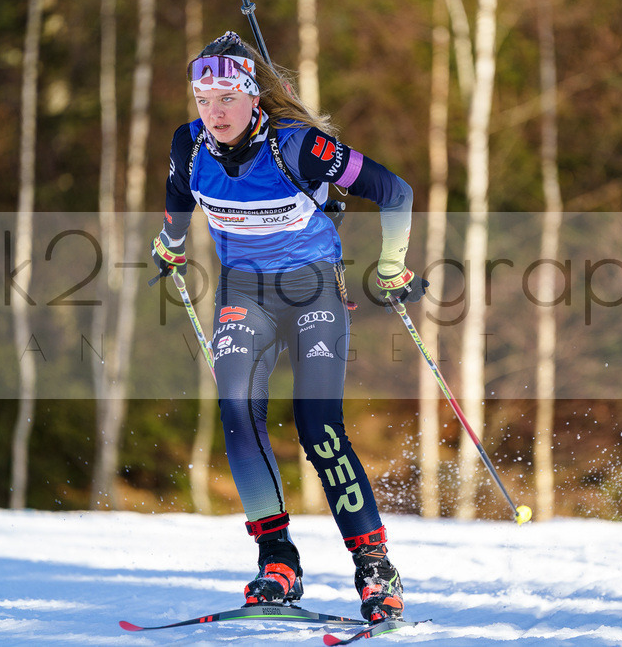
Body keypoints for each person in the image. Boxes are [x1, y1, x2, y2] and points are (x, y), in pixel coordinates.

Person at [150, 31, 426, 623]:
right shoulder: (188, 145)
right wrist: (171, 245)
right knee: (236, 409)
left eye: (227, 97)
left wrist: (393, 267)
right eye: (203, 98)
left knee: (317, 424)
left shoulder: (298, 147)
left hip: (313, 291)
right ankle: (277, 560)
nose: (214, 112)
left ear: (254, 98)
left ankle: (374, 567)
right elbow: (178, 197)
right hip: (243, 293)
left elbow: (395, 191)